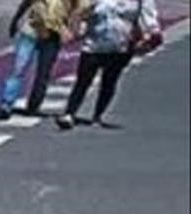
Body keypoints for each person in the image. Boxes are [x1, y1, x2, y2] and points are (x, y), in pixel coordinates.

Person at [56, 0, 160, 129]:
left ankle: (97, 116)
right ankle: (69, 113)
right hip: (93, 44)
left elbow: (150, 21)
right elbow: (81, 12)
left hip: (121, 46)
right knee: (83, 80)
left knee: (109, 81)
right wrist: (79, 23)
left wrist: (150, 37)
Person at [0, 0, 81, 120]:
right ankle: (6, 103)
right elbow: (26, 3)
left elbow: (77, 12)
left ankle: (34, 106)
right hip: (32, 30)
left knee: (44, 72)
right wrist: (15, 20)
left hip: (53, 36)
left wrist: (72, 31)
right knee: (19, 68)